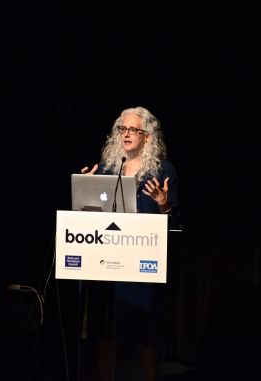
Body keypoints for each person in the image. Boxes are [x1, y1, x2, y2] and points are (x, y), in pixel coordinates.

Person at [81, 106, 180, 381]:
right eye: (122, 129)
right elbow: (91, 216)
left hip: (143, 266)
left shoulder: (162, 171)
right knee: (106, 332)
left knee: (145, 335)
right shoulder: (107, 168)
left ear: (147, 137)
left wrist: (163, 205)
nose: (126, 134)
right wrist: (85, 190)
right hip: (107, 263)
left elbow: (175, 222)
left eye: (133, 130)